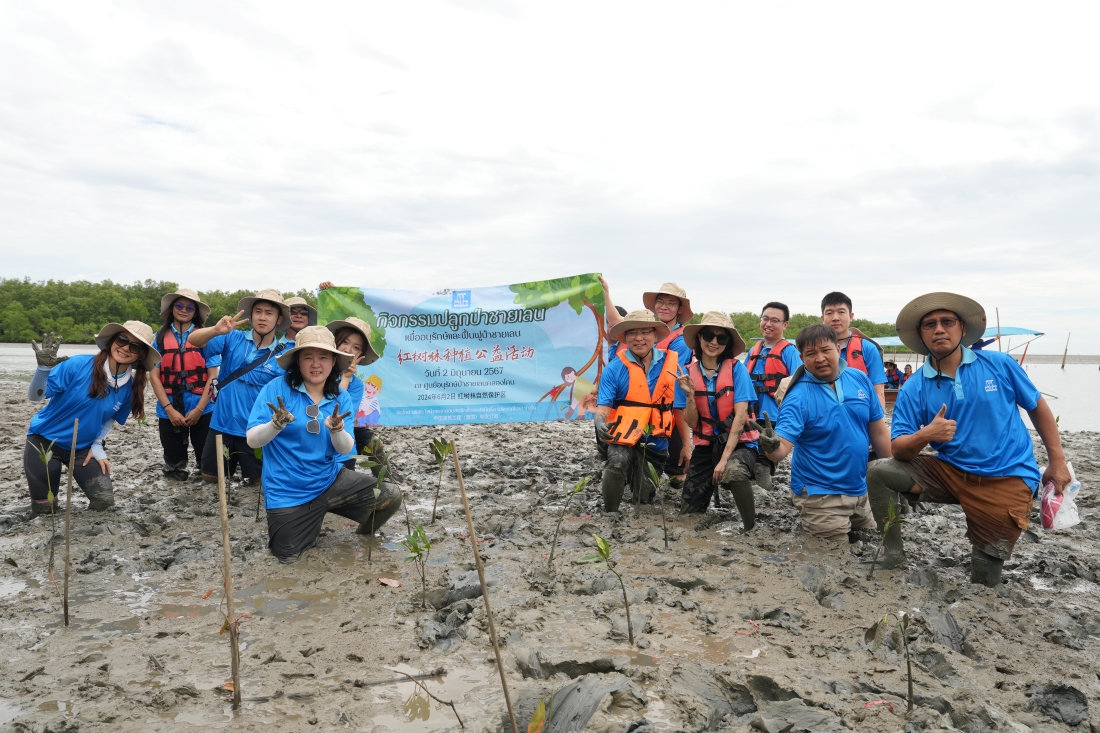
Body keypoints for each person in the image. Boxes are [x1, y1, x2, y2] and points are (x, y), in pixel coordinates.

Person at [863, 293, 1071, 587]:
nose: (939, 329)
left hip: (1007, 476)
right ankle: (893, 552)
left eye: (947, 322)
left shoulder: (999, 365)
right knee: (880, 471)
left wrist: (1057, 461)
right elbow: (898, 449)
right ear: (921, 335)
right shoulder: (914, 387)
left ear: (962, 329)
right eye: (930, 324)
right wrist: (927, 435)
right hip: (951, 472)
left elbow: (1038, 407)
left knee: (984, 577)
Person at [247, 326, 402, 561]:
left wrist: (338, 430)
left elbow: (345, 448)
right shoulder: (276, 389)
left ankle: (363, 536)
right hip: (288, 492)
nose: (315, 364)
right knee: (288, 560)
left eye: (323, 357)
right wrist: (275, 425)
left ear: (333, 362)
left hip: (330, 481)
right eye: (308, 357)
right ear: (297, 361)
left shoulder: (340, 396)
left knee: (391, 496)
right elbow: (252, 439)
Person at [756, 324, 892, 543]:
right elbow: (779, 452)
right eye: (811, 354)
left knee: (871, 542)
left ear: (838, 349)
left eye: (825, 350)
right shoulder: (797, 396)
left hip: (860, 489)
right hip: (821, 494)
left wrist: (891, 476)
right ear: (801, 357)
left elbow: (878, 431)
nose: (819, 358)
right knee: (832, 561)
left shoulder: (859, 379)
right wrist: (770, 445)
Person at [25, 323, 159, 515]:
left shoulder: (130, 387)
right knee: (45, 509)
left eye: (135, 346)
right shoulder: (77, 364)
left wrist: (97, 445)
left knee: (104, 503)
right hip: (44, 442)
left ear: (141, 355)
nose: (126, 348)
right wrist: (43, 369)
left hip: (82, 449)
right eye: (122, 340)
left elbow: (110, 418)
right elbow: (36, 396)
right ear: (113, 341)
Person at [188, 289, 290, 484]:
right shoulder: (232, 338)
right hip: (221, 424)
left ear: (278, 319)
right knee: (210, 478)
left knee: (256, 483)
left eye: (269, 313)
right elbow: (194, 341)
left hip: (256, 428)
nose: (262, 317)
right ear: (251, 315)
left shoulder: (284, 356)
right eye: (258, 311)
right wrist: (215, 330)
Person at [601, 278, 695, 491]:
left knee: (676, 476)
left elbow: (672, 390)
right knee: (620, 462)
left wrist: (686, 443)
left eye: (671, 303)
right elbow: (615, 322)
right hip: (632, 412)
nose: (664, 306)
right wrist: (606, 293)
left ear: (680, 309)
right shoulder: (638, 332)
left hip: (667, 408)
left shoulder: (679, 342)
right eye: (660, 301)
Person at [677, 312, 760, 529]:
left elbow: (741, 417)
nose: (714, 342)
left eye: (721, 338)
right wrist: (690, 395)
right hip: (706, 446)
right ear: (699, 338)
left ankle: (750, 527)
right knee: (688, 512)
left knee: (734, 472)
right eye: (708, 336)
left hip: (740, 444)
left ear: (728, 343)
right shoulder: (687, 375)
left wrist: (723, 461)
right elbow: (693, 424)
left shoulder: (737, 369)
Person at [150, 288, 216, 481]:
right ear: (171, 309)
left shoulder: (204, 337)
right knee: (174, 464)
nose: (184, 310)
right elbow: (154, 376)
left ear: (195, 312)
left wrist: (199, 408)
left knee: (206, 461)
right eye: (179, 305)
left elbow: (213, 375)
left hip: (201, 407)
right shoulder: (159, 338)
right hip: (169, 407)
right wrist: (169, 409)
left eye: (189, 307)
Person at [744, 301, 802, 488]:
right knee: (749, 458)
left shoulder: (789, 351)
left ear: (785, 325)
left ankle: (764, 492)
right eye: (765, 319)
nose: (768, 324)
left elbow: (798, 383)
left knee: (763, 462)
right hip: (752, 415)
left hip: (776, 417)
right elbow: (741, 380)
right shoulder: (754, 350)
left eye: (775, 320)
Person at [325, 316, 380, 467]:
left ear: (361, 356)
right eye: (345, 342)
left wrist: (346, 377)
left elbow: (336, 414)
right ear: (334, 343)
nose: (348, 350)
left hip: (342, 455)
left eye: (356, 347)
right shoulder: (316, 373)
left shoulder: (356, 385)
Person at [821, 292, 887, 408]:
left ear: (851, 316)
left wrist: (878, 422)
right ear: (823, 318)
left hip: (860, 416)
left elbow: (879, 392)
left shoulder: (868, 348)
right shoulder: (814, 350)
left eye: (841, 312)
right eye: (829, 313)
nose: (835, 318)